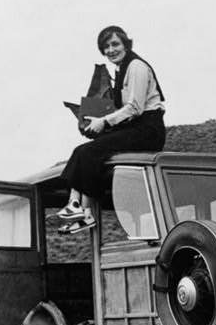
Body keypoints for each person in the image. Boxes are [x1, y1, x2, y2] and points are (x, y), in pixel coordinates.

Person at [57, 25, 166, 226]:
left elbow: (134, 107)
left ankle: (84, 211)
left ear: (125, 44)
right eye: (106, 47)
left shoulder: (136, 67)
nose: (110, 50)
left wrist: (104, 122)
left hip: (148, 130)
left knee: (89, 152)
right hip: (134, 127)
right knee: (83, 151)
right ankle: (75, 205)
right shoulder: (121, 69)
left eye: (115, 44)